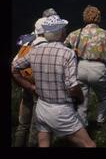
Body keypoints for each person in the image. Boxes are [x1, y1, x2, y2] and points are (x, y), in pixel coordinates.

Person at [12, 15, 96, 147]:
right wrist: (80, 98)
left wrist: (29, 86)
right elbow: (72, 86)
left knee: (44, 143)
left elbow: (15, 68)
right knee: (89, 145)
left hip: (41, 106)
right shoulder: (68, 53)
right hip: (61, 110)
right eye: (65, 29)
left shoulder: (35, 51)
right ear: (62, 32)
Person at [64, 5, 106, 127]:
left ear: (84, 17)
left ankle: (82, 124)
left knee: (82, 99)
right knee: (105, 96)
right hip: (99, 68)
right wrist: (105, 67)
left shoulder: (75, 34)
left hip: (80, 67)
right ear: (98, 17)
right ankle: (100, 120)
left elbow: (64, 48)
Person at [12, 9, 57, 147]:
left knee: (23, 123)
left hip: (25, 82)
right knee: (36, 124)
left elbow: (15, 61)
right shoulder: (48, 43)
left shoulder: (26, 39)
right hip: (39, 85)